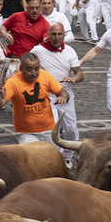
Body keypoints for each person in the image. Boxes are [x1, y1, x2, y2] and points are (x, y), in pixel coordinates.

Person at [31, 24, 84, 163]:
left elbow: (79, 73)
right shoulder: (38, 50)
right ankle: (58, 159)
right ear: (48, 34)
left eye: (59, 34)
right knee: (52, 129)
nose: (56, 37)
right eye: (53, 34)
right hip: (46, 96)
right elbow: (26, 63)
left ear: (63, 35)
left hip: (65, 95)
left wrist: (74, 78)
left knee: (72, 130)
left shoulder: (70, 51)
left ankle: (67, 158)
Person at [0, 53, 69, 145]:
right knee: (34, 154)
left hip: (49, 129)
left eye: (36, 69)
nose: (34, 73)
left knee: (53, 157)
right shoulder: (13, 82)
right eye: (29, 69)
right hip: (25, 133)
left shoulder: (45, 75)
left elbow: (62, 92)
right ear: (21, 69)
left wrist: (63, 97)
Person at [0, 0, 50, 72]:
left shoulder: (45, 25)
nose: (34, 11)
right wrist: (5, 35)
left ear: (41, 8)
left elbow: (46, 42)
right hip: (12, 60)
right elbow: (3, 27)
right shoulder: (16, 16)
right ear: (26, 8)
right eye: (32, 8)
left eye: (37, 8)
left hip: (29, 65)